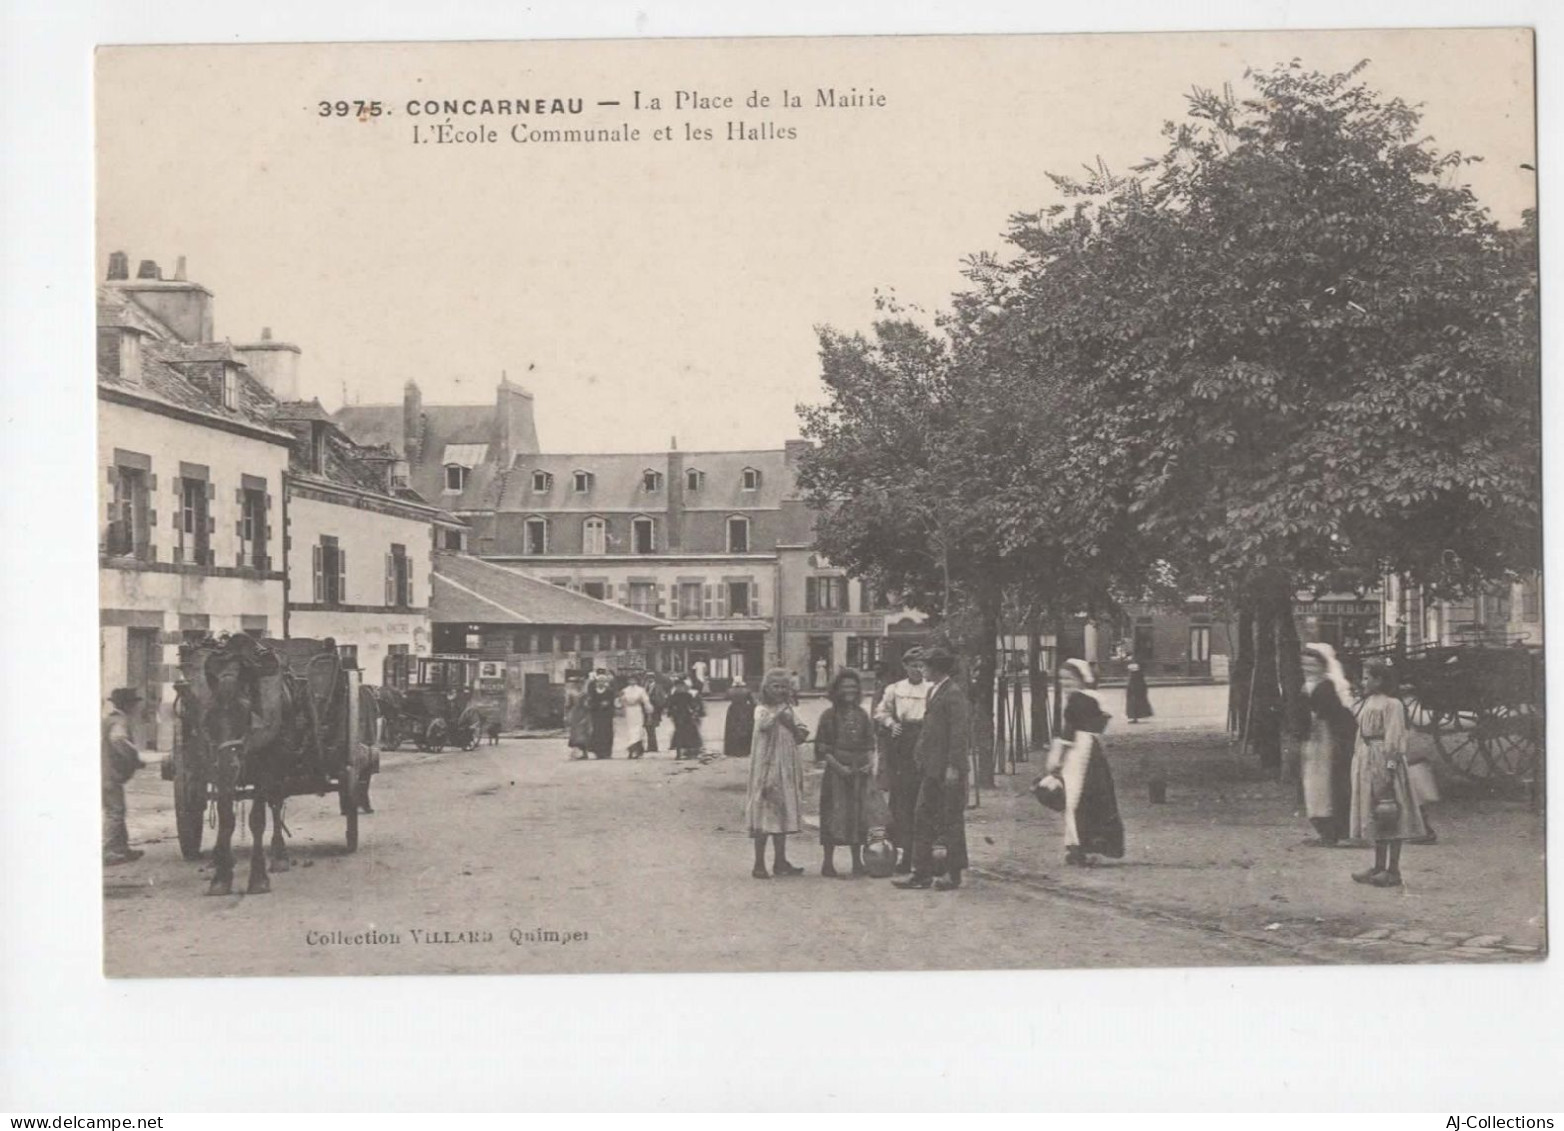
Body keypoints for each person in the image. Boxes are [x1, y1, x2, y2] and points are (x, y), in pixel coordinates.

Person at [894, 646, 970, 891]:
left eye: (924, 665)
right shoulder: (934, 691)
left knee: (951, 820)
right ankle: (921, 873)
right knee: (923, 817)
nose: (920, 669)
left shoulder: (953, 694)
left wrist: (953, 767)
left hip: (947, 770)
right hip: (931, 768)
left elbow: (959, 735)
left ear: (937, 668)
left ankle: (953, 873)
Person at [1348, 662, 1426, 887]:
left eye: (1366, 678)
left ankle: (1394, 870)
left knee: (1391, 812)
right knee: (1376, 814)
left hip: (1383, 760)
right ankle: (1378, 866)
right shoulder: (1366, 703)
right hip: (1367, 759)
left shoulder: (1393, 705)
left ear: (1379, 680)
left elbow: (1394, 738)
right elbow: (1360, 734)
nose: (1363, 683)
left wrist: (1389, 768)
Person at [1042, 659, 1125, 866]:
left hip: (1078, 752)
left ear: (1081, 679)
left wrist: (1057, 759)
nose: (1065, 683)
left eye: (1069, 679)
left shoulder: (1076, 700)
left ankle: (1080, 846)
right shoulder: (1093, 698)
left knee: (1075, 797)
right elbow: (1101, 724)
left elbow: (1069, 732)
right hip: (1091, 749)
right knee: (1093, 795)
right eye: (1062, 679)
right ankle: (1087, 844)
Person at [746, 669, 810, 878]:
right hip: (767, 767)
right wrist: (779, 714)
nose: (780, 690)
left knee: (782, 812)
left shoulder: (789, 710)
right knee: (765, 813)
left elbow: (801, 734)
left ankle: (780, 861)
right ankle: (759, 863)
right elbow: (764, 726)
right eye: (776, 686)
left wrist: (792, 723)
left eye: (784, 687)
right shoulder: (762, 709)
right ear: (766, 688)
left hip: (786, 768)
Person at [874, 646, 930, 873]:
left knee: (924, 799)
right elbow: (881, 712)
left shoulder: (932, 688)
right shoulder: (895, 689)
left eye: (921, 665)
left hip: (925, 741)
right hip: (903, 745)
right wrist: (892, 725)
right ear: (905, 666)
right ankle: (904, 855)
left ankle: (924, 856)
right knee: (902, 802)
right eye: (913, 665)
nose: (918, 670)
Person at [1297, 643, 1358, 846]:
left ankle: (1333, 830)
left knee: (1326, 782)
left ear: (1323, 666)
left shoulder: (1327, 686)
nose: (1308, 668)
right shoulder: (1309, 685)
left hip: (1328, 737)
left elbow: (1330, 716)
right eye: (1304, 664)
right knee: (1316, 782)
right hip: (1317, 738)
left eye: (1313, 665)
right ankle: (1325, 829)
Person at [816, 669, 875, 878]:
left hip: (858, 771)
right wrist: (839, 767)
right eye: (844, 687)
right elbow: (822, 748)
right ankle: (828, 862)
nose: (849, 691)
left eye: (853, 687)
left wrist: (870, 764)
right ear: (836, 690)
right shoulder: (828, 715)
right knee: (833, 814)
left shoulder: (862, 714)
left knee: (858, 815)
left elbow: (870, 743)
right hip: (836, 773)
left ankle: (857, 861)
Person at [102, 687, 146, 865]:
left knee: (116, 809)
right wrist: (134, 757)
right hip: (109, 775)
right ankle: (109, 851)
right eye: (134, 704)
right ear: (128, 705)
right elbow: (118, 739)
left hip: (105, 773)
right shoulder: (120, 721)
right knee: (115, 812)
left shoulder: (107, 720)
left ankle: (121, 849)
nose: (136, 708)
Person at [666, 677, 705, 759]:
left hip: (686, 715)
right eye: (678, 686)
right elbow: (669, 705)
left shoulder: (688, 695)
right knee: (679, 732)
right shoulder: (674, 696)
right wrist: (670, 713)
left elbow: (692, 705)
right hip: (678, 715)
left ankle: (689, 750)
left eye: (681, 686)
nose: (679, 688)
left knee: (688, 731)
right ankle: (679, 751)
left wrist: (694, 711)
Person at [618, 672, 653, 759]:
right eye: (630, 680)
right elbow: (621, 702)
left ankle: (637, 750)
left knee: (637, 730)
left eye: (634, 680)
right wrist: (621, 699)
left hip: (637, 710)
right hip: (629, 711)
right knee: (630, 731)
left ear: (637, 681)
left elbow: (646, 701)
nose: (632, 681)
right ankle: (631, 750)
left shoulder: (641, 690)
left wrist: (649, 712)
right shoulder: (625, 690)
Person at [584, 669, 617, 759]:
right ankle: (598, 752)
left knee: (607, 733)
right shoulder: (593, 691)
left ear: (606, 682)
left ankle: (607, 752)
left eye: (603, 681)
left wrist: (608, 704)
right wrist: (598, 705)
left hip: (606, 716)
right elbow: (590, 702)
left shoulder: (609, 691)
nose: (601, 683)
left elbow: (613, 703)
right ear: (596, 682)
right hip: (596, 715)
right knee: (597, 733)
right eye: (599, 681)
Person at [723, 680, 757, 757]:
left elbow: (725, 698)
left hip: (733, 710)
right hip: (744, 710)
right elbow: (753, 702)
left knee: (732, 729)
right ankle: (744, 751)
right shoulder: (747, 691)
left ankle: (732, 751)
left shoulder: (730, 691)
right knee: (744, 728)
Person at [564, 676, 592, 760]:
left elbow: (588, 704)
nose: (577, 684)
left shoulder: (585, 693)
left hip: (584, 713)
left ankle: (584, 753)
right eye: (575, 683)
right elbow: (567, 705)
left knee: (584, 733)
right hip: (575, 714)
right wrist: (566, 715)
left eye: (579, 683)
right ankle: (575, 753)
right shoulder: (571, 693)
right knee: (575, 733)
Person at [645, 673, 668, 753]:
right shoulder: (645, 687)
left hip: (655, 710)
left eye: (651, 677)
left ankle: (653, 746)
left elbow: (662, 698)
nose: (649, 679)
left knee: (652, 727)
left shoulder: (658, 687)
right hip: (646, 710)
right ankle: (650, 746)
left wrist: (659, 706)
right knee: (648, 727)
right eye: (648, 678)